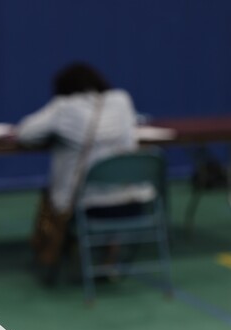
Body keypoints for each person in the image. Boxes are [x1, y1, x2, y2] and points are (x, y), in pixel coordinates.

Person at [15, 62, 144, 284]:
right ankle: (108, 257)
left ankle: (53, 252)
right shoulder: (122, 100)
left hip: (86, 207)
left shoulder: (64, 108)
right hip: (133, 204)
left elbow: (25, 133)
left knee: (53, 194)